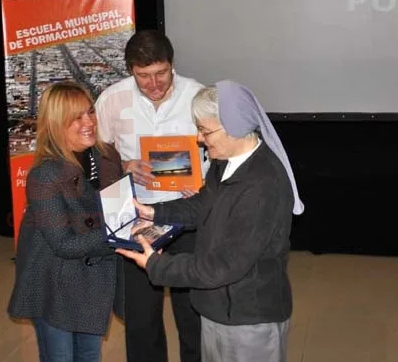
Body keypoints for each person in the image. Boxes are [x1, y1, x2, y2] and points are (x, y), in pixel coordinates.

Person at [117, 80, 305, 362]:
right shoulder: (225, 163)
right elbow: (203, 204)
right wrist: (155, 212)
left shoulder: (262, 185)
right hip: (217, 307)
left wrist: (156, 264)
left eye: (205, 130)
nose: (199, 139)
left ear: (235, 127)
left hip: (248, 318)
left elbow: (223, 267)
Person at [95, 29, 204, 362]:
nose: (154, 84)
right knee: (141, 315)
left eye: (161, 73)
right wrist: (124, 163)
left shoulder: (197, 96)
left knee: (193, 312)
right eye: (144, 77)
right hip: (136, 216)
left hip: (188, 213)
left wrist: (203, 184)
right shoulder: (112, 99)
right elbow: (99, 151)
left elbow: (220, 153)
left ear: (172, 64)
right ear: (131, 70)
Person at [7, 81, 124, 362]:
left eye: (90, 112)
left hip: (94, 277)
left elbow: (119, 210)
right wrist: (120, 232)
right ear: (56, 124)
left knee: (89, 355)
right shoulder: (45, 175)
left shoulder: (106, 156)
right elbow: (64, 245)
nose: (89, 122)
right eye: (76, 117)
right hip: (54, 282)